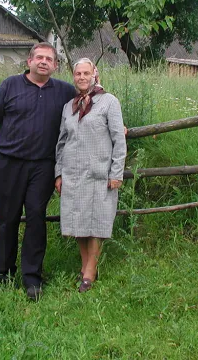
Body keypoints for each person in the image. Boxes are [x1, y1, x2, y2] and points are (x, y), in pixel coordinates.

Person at [0, 42, 77, 301]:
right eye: (39, 57)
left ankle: (32, 278)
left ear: (55, 65)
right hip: (9, 164)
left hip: (43, 166)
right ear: (29, 61)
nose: (43, 62)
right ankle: (4, 273)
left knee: (36, 217)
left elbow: (88, 102)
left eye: (49, 58)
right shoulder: (9, 86)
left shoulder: (64, 91)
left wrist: (116, 123)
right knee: (7, 219)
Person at [54, 58, 127, 293]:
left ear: (95, 74)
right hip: (73, 174)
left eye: (86, 73)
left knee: (97, 223)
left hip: (99, 174)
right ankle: (87, 267)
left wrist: (117, 172)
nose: (82, 77)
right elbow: (61, 142)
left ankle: (89, 272)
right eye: (78, 74)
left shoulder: (109, 102)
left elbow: (119, 139)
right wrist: (58, 174)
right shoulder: (69, 106)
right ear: (74, 77)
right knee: (78, 222)